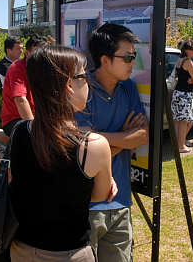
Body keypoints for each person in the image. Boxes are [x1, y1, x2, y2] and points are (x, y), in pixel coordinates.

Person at [9, 45, 116, 261]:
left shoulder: (20, 131)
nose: (88, 82)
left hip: (20, 250)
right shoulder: (93, 145)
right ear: (68, 84)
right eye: (84, 76)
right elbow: (98, 195)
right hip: (69, 254)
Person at [75, 23, 149, 262]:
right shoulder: (80, 88)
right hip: (86, 204)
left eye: (133, 56)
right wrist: (124, 137)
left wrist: (97, 142)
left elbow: (142, 135)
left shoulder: (128, 87)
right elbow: (79, 147)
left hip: (121, 202)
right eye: (127, 57)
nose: (132, 62)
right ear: (105, 60)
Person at [0, 34, 48, 136]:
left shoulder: (45, 69)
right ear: (27, 53)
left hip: (38, 118)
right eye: (38, 53)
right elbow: (20, 99)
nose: (43, 57)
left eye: (45, 53)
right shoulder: (16, 68)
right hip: (14, 119)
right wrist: (34, 128)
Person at [173, 40, 193, 152]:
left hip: (177, 93)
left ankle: (177, 144)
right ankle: (181, 146)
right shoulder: (188, 62)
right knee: (183, 121)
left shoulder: (179, 60)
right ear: (185, 50)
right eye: (191, 48)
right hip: (185, 94)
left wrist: (191, 79)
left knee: (178, 121)